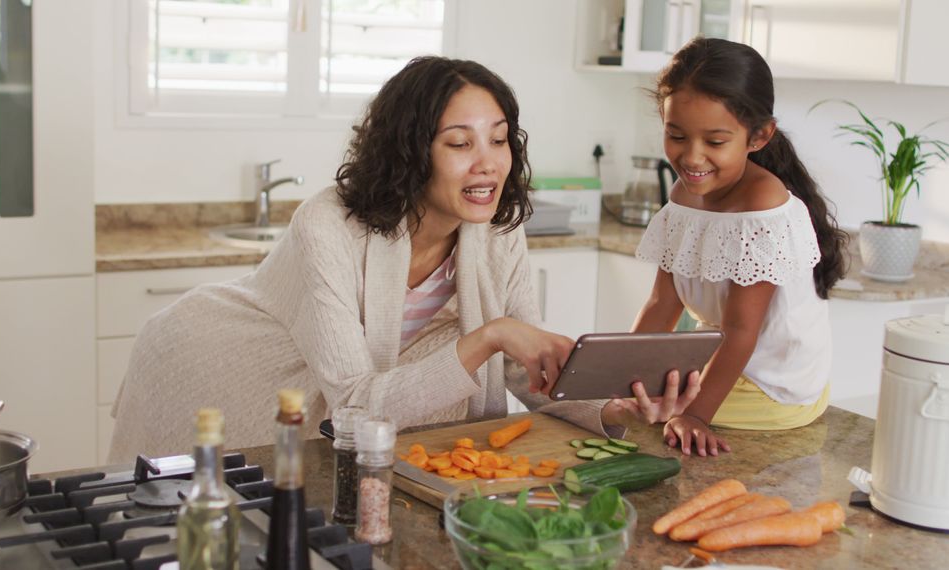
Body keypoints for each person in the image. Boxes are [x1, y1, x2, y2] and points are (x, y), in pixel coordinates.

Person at [108, 56, 699, 462]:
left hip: (335, 412)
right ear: (411, 153)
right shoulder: (329, 225)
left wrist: (612, 405)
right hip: (219, 365)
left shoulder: (496, 228)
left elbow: (525, 368)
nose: (489, 163)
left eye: (499, 139)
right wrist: (490, 335)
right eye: (460, 144)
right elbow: (357, 406)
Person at [632, 38, 848, 457]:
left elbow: (739, 331)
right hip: (727, 360)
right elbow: (662, 301)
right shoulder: (683, 196)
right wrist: (616, 375)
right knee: (630, 402)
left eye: (714, 142)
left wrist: (695, 415)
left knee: (649, 418)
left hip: (774, 385)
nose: (692, 157)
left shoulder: (762, 207)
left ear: (759, 135)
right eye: (676, 135)